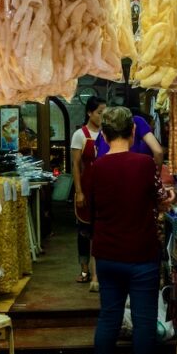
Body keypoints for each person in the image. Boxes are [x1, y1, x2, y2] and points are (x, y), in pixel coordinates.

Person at [83, 107, 173, 354]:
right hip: (141, 255)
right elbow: (160, 201)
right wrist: (167, 201)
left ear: (104, 136)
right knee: (144, 323)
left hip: (107, 255)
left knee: (108, 317)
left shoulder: (94, 169)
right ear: (133, 133)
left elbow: (94, 209)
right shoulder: (145, 164)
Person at [71, 96, 105, 288]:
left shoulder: (108, 133)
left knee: (100, 231)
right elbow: (76, 165)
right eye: (99, 113)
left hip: (103, 189)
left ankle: (99, 272)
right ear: (89, 113)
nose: (102, 117)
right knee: (84, 231)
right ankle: (84, 270)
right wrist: (79, 192)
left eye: (104, 113)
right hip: (85, 187)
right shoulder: (80, 135)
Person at [96, 111, 163, 169]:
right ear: (133, 130)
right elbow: (158, 151)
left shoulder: (98, 164)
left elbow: (96, 150)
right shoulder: (137, 121)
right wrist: (157, 177)